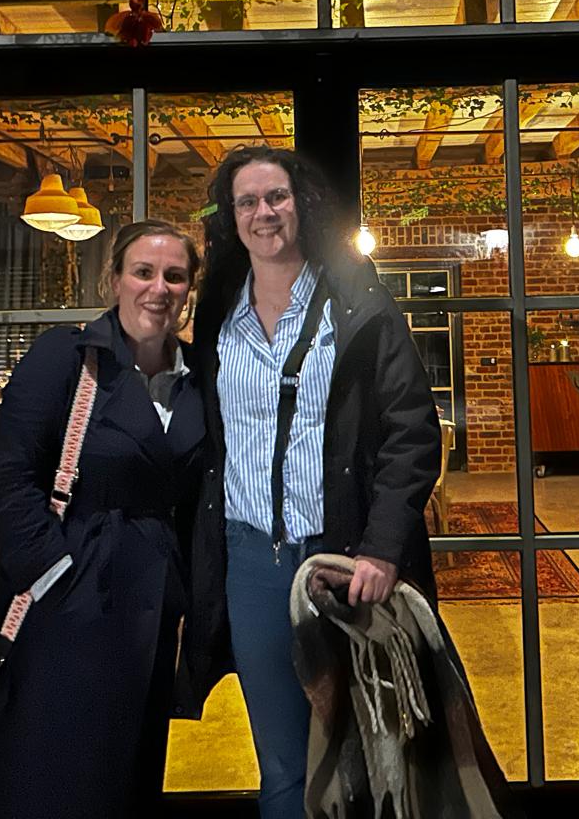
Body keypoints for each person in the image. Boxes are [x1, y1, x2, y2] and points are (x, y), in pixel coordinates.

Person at [177, 146, 442, 819]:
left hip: (343, 559)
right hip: (251, 563)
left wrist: (382, 547)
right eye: (246, 202)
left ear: (301, 203)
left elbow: (412, 430)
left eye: (277, 197)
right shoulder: (218, 312)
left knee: (365, 757)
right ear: (230, 216)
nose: (263, 213)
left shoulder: (355, 299)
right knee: (283, 765)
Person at [0, 219, 204, 819]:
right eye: (143, 272)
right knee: (60, 775)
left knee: (130, 773)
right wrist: (53, 572)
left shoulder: (196, 380)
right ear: (115, 279)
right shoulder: (68, 357)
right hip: (72, 598)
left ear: (189, 289)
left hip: (153, 610)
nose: (158, 288)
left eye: (175, 276)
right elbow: (8, 473)